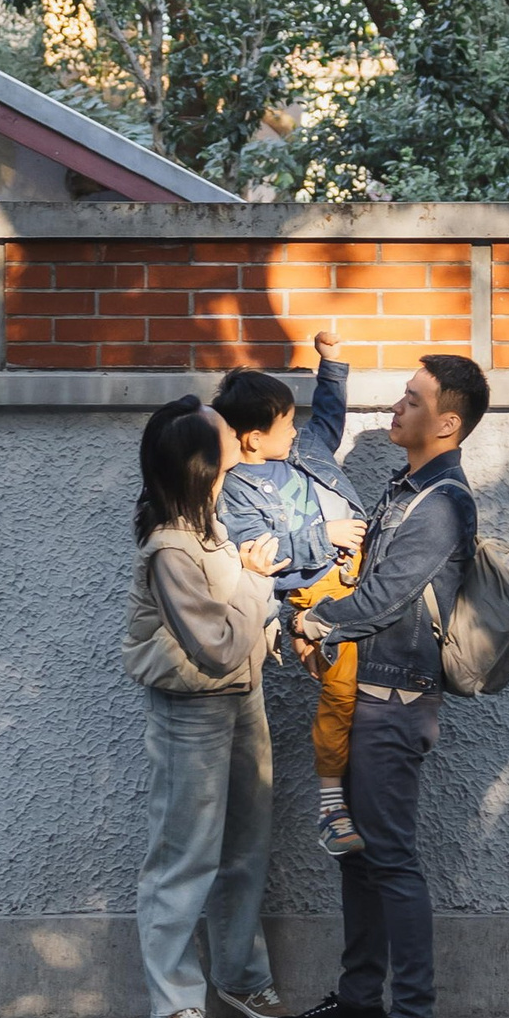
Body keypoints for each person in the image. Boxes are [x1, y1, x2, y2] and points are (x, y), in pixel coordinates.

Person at [277, 350, 489, 1018]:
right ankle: (361, 998)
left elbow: (386, 594)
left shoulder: (443, 502)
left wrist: (314, 622)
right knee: (360, 858)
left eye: (411, 400)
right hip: (364, 691)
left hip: (395, 701)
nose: (395, 409)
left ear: (448, 422)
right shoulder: (404, 488)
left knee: (392, 858)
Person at [123, 401, 285, 1018]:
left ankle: (242, 979)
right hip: (191, 710)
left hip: (242, 702)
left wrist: (275, 621)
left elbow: (240, 630)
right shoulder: (170, 548)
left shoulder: (211, 531)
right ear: (202, 461)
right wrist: (253, 584)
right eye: (220, 433)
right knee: (183, 856)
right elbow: (215, 643)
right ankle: (174, 1006)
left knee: (246, 848)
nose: (232, 435)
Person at [215, 332, 369, 858]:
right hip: (314, 598)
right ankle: (331, 803)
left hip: (358, 574)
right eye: (284, 422)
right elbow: (260, 555)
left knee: (371, 690)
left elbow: (327, 419)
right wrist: (322, 538)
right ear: (254, 438)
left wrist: (334, 364)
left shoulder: (302, 449)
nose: (295, 428)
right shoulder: (234, 488)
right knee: (343, 693)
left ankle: (357, 780)